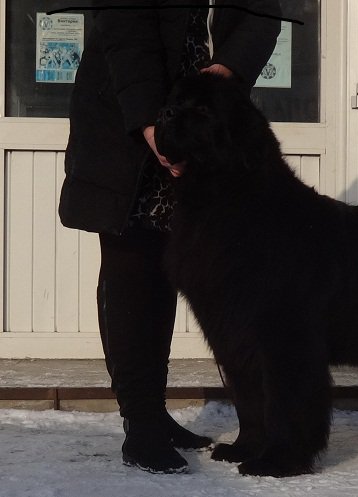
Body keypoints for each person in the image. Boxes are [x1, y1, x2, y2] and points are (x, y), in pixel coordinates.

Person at [59, 0, 281, 474]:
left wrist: (230, 71)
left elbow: (262, 11)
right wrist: (150, 125)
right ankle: (141, 425)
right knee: (134, 267)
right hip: (127, 113)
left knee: (188, 266)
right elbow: (125, 32)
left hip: (201, 117)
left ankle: (163, 415)